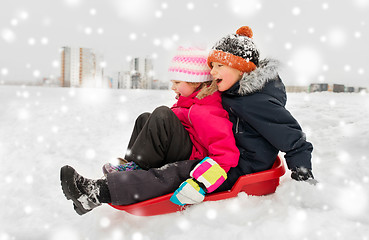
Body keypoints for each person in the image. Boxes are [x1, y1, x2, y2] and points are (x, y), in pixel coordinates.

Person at [60, 47, 239, 215]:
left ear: (196, 83)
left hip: (193, 159)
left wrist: (201, 181)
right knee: (145, 118)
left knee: (162, 115)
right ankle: (131, 164)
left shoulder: (206, 111)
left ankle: (136, 169)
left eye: (177, 82)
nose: (173, 87)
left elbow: (226, 154)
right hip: (183, 148)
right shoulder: (188, 102)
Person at [206, 26, 315, 192]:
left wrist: (303, 175)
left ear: (241, 69)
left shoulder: (255, 102)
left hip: (243, 167)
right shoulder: (231, 94)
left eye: (219, 65)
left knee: (186, 176)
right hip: (226, 158)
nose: (212, 72)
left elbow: (293, 140)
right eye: (212, 65)